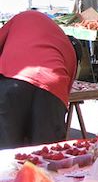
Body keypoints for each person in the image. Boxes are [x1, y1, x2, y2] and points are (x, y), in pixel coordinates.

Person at [0, 11, 81, 149]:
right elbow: (64, 85)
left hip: (13, 82)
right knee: (46, 154)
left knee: (7, 153)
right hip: (51, 88)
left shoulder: (21, 20)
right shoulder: (65, 47)